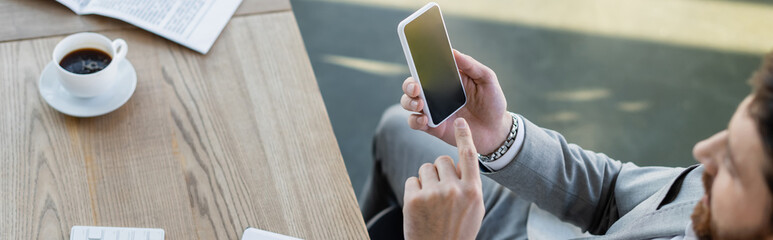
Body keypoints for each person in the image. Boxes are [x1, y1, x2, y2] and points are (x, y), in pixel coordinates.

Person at [359, 50, 773, 239]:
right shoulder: (718, 191)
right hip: (542, 225)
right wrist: (499, 136)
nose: (703, 154)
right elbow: (614, 195)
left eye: (733, 166)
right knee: (397, 128)